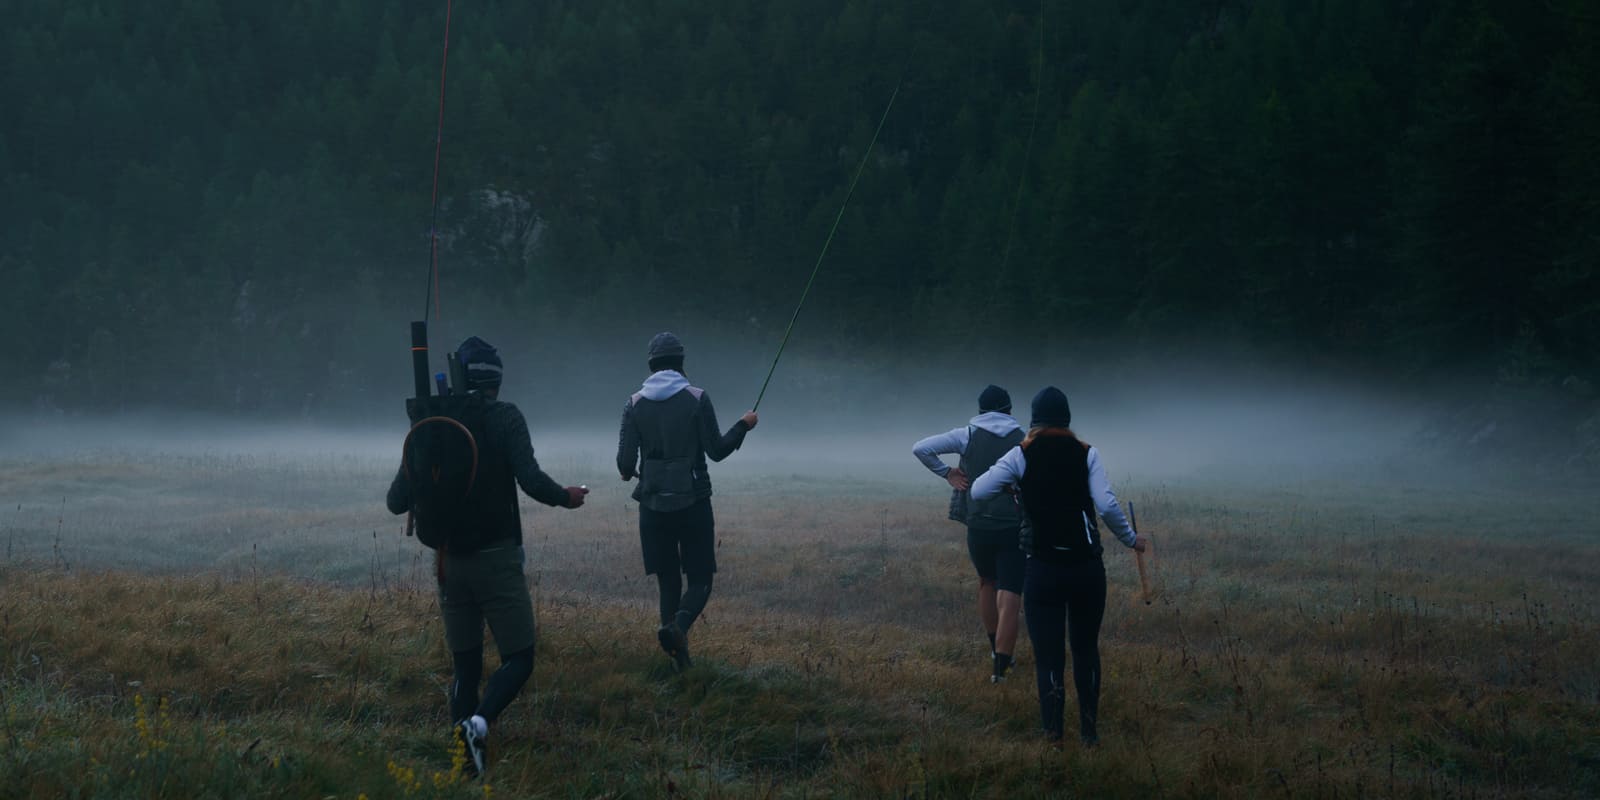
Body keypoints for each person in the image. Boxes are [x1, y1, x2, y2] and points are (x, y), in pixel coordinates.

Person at [386, 336, 589, 776]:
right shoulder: (505, 417)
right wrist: (567, 497)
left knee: (466, 666)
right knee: (519, 658)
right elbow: (531, 479)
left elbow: (395, 502)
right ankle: (478, 724)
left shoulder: (432, 423)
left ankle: (465, 762)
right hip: (496, 557)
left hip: (446, 561)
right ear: (496, 379)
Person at [970, 386, 1146, 746]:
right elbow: (1107, 506)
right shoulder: (1086, 452)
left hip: (1043, 569)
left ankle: (1053, 735)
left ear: (1033, 420)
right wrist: (1131, 539)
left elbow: (978, 491)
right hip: (1086, 568)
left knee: (1049, 657)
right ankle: (1089, 732)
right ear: (1067, 419)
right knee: (1085, 649)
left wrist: (1012, 487)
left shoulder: (1022, 453)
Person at [616, 332, 758, 670]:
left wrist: (629, 473)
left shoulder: (634, 403)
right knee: (700, 580)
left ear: (651, 365)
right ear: (681, 363)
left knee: (668, 582)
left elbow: (624, 464)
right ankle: (677, 628)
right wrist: (744, 425)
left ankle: (680, 665)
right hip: (693, 502)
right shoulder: (697, 398)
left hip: (651, 506)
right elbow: (718, 450)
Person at [911, 384, 1026, 683]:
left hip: (978, 522)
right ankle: (1002, 665)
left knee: (987, 582)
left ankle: (994, 649)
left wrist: (946, 472)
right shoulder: (1024, 439)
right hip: (1014, 523)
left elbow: (920, 448)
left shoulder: (967, 435)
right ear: (1009, 410)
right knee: (1011, 590)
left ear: (980, 410)